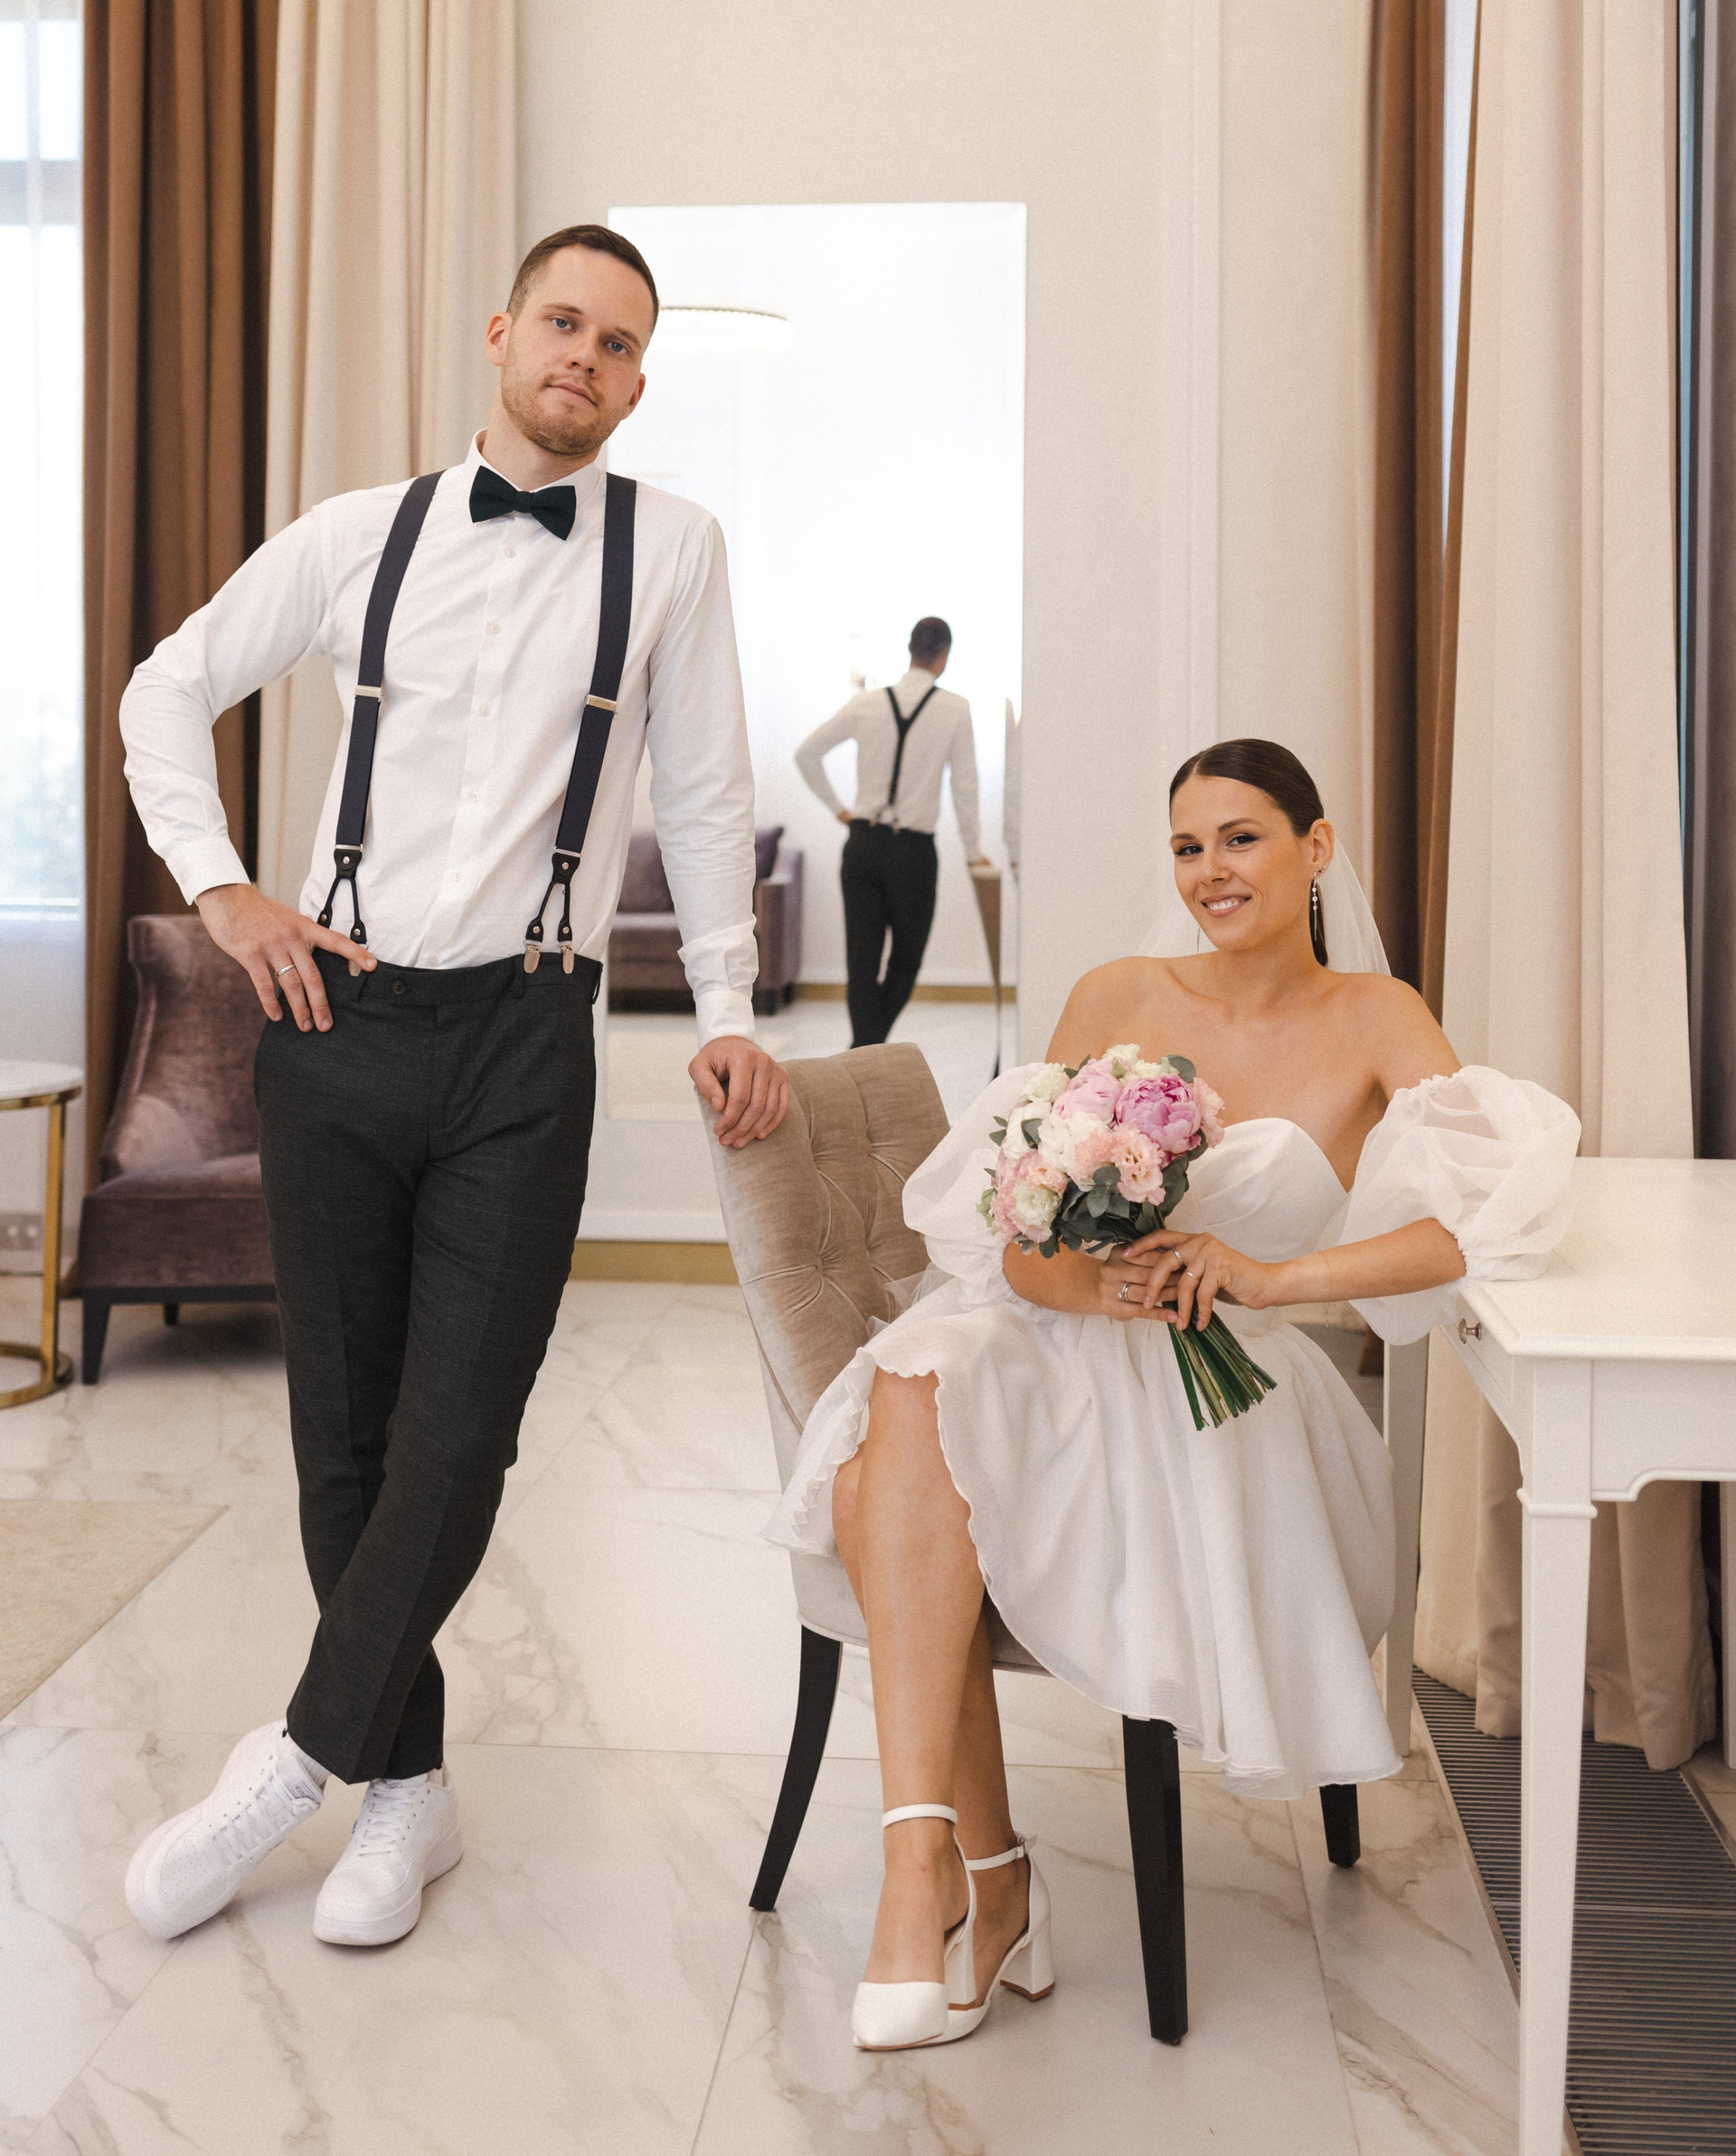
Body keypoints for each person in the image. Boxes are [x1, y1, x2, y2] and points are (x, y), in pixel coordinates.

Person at [116, 222, 789, 1951]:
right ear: (501, 334)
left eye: (621, 344)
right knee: (342, 1432)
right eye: (564, 322)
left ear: (639, 382)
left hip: (525, 1040)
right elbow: (164, 692)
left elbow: (708, 792)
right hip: (333, 1022)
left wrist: (727, 1004)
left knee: (462, 1426)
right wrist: (222, 890)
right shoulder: (359, 535)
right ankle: (406, 1791)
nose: (587, 358)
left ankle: (289, 1763)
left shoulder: (677, 552)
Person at [764, 736, 1580, 2051]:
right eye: (1189, 847)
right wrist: (1102, 1287)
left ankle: (990, 1885)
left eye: (1242, 838)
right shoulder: (1116, 992)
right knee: (917, 1379)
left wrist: (1270, 1277)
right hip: (1056, 1337)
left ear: (1316, 849)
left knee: (901, 1473)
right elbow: (1016, 1247)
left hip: (1225, 1379)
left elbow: (1476, 1228)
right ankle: (927, 1869)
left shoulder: (1377, 1016)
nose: (1211, 871)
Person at [795, 616, 995, 1045]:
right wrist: (972, 851)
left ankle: (863, 1050)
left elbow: (806, 753)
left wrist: (839, 811)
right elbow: (965, 787)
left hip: (863, 845)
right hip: (913, 854)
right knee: (907, 960)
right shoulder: (956, 709)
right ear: (943, 656)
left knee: (861, 961)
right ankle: (868, 1051)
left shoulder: (866, 703)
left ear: (909, 650)